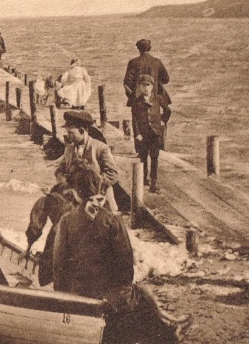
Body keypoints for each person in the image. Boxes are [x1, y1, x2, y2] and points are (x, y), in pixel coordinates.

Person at [52, 167, 190, 343]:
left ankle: (168, 328)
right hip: (108, 297)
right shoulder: (111, 220)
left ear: (75, 193)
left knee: (139, 296)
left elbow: (59, 265)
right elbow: (125, 262)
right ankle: (168, 331)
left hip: (78, 295)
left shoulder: (65, 221)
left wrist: (64, 296)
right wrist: (121, 290)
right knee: (141, 294)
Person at [57, 110, 120, 212]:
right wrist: (64, 182)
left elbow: (113, 174)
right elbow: (59, 171)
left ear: (82, 131)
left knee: (106, 219)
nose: (68, 136)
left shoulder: (101, 148)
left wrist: (93, 182)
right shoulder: (69, 149)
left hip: (98, 196)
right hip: (73, 197)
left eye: (70, 133)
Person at [25, 167, 76, 286]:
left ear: (60, 177)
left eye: (57, 177)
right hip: (78, 234)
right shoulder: (80, 192)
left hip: (59, 233)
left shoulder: (49, 198)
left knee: (49, 266)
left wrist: (28, 248)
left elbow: (36, 224)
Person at [130, 75, 172, 193]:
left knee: (154, 157)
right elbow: (134, 120)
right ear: (140, 87)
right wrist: (137, 134)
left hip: (155, 134)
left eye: (148, 85)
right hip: (143, 135)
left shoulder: (157, 99)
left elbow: (168, 110)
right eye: (143, 85)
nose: (145, 88)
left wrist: (162, 121)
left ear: (152, 86)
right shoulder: (136, 102)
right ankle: (144, 179)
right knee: (143, 157)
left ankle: (154, 182)